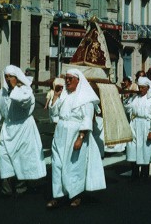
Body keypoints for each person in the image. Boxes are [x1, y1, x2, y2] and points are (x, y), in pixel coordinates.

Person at [47, 68, 105, 208]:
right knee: (57, 165)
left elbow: (87, 119)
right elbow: (54, 113)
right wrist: (55, 96)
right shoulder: (64, 95)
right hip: (60, 133)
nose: (67, 81)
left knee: (74, 166)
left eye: (70, 78)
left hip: (76, 134)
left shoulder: (85, 98)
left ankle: (76, 195)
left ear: (78, 80)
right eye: (66, 78)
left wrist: (81, 137)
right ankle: (57, 195)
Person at [0, 65, 46, 197]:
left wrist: (15, 88)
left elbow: (23, 102)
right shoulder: (3, 91)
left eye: (11, 76)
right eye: (6, 76)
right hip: (8, 128)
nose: (8, 79)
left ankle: (21, 188)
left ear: (17, 77)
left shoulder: (25, 91)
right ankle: (6, 189)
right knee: (4, 156)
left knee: (21, 158)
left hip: (23, 128)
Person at [125, 76, 151, 179]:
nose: (140, 90)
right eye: (139, 87)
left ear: (148, 88)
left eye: (142, 88)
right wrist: (128, 98)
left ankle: (144, 173)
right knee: (132, 148)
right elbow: (127, 109)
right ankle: (134, 173)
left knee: (145, 149)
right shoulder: (135, 97)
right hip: (134, 124)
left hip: (146, 125)